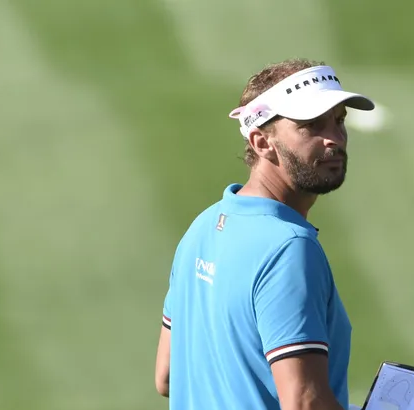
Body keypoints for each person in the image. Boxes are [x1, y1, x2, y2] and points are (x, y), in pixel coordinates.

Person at [155, 58, 376, 410]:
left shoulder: (203, 227)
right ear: (261, 142)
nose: (334, 139)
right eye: (311, 126)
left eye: (339, 121)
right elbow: (303, 402)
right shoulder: (289, 248)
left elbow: (167, 376)